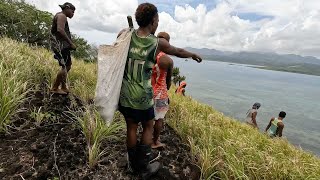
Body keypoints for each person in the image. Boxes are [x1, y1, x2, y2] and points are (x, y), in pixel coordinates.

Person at [117, 3, 202, 179]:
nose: (157, 23)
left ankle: (132, 164)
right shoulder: (157, 42)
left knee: (131, 127)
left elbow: (117, 48)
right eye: (157, 20)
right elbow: (177, 51)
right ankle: (143, 167)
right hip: (143, 94)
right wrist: (193, 54)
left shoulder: (125, 34)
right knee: (148, 125)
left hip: (125, 92)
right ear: (153, 21)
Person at [151, 32, 173, 149]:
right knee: (159, 118)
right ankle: (155, 142)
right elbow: (168, 83)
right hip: (161, 93)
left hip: (147, 92)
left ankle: (146, 138)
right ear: (167, 43)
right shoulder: (168, 60)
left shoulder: (148, 55)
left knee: (148, 117)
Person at [50, 2, 76, 95]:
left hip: (61, 46)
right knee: (66, 66)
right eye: (72, 11)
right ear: (67, 8)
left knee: (67, 65)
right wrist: (71, 43)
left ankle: (64, 87)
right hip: (61, 47)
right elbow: (60, 30)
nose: (73, 14)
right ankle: (55, 87)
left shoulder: (59, 15)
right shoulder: (62, 16)